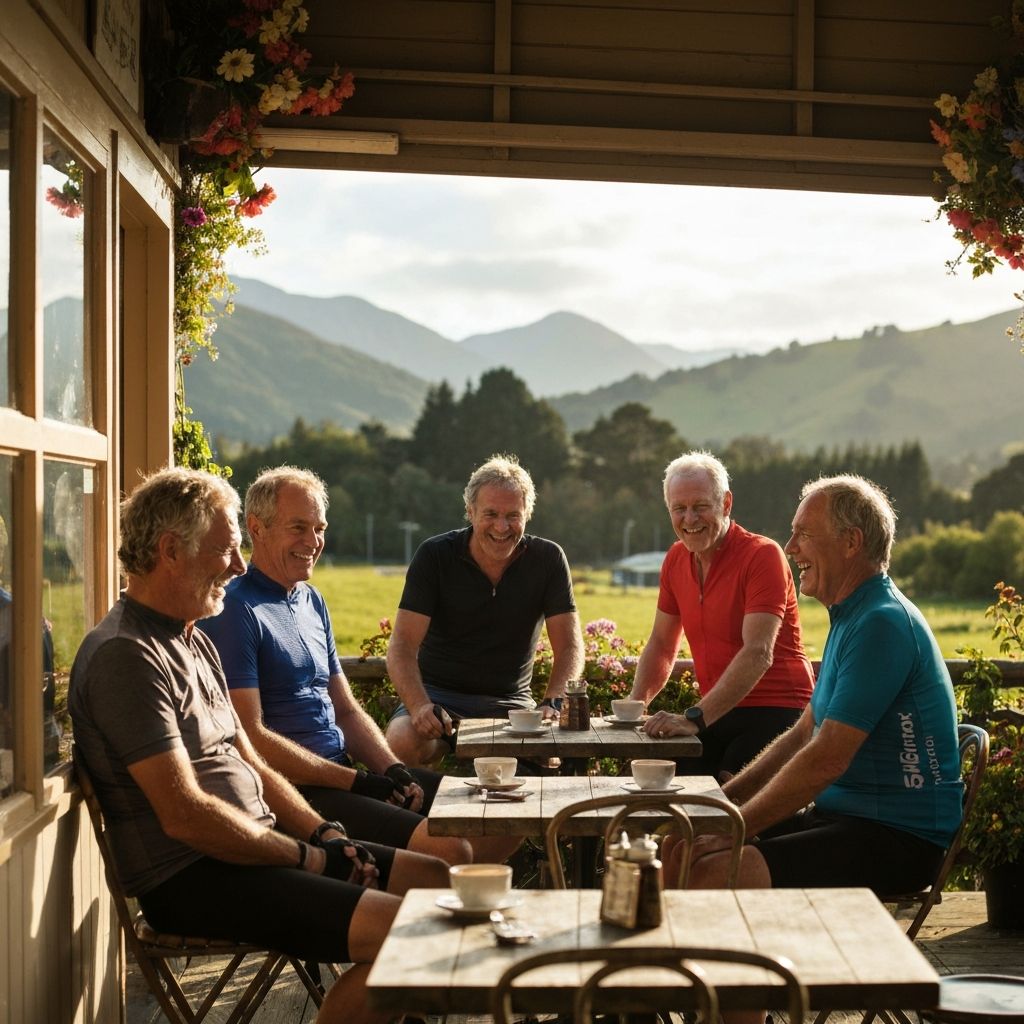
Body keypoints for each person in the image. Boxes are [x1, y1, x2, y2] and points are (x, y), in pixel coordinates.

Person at [69, 467, 448, 1024]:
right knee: (407, 932)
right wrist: (310, 857)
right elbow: (186, 816)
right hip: (193, 875)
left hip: (253, 845)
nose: (240, 566)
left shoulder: (191, 635)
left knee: (435, 881)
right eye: (225, 550)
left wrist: (324, 832)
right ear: (171, 551)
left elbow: (251, 758)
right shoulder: (127, 656)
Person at [201, 466, 514, 864]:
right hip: (297, 792)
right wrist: (359, 782)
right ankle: (415, 901)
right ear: (256, 527)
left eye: (320, 528)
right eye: (298, 527)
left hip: (344, 775)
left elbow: (346, 710)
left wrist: (393, 769)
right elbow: (251, 737)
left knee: (502, 811)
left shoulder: (312, 601)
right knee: (451, 849)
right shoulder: (236, 609)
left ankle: (443, 897)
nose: (313, 542)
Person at [688, 474, 963, 898]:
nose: (790, 547)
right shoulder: (853, 613)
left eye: (803, 535)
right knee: (681, 844)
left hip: (898, 838)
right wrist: (720, 801)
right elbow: (802, 735)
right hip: (842, 819)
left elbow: (827, 757)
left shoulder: (881, 623)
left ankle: (725, 963)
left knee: (711, 870)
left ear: (851, 543)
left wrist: (735, 828)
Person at [384, 454, 584, 768]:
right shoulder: (435, 555)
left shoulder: (548, 559)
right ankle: (432, 814)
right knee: (400, 741)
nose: (502, 526)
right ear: (470, 511)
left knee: (553, 757)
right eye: (490, 514)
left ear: (527, 514)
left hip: (512, 703)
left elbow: (570, 646)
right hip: (438, 699)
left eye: (513, 515)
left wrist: (553, 702)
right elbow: (402, 646)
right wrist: (420, 706)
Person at [629, 451, 815, 780]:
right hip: (718, 713)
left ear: (726, 504)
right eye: (679, 509)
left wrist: (694, 719)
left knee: (726, 799)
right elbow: (661, 643)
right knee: (655, 783)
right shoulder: (675, 559)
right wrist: (633, 707)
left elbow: (758, 652)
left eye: (700, 506)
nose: (689, 519)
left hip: (779, 710)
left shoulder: (762, 555)